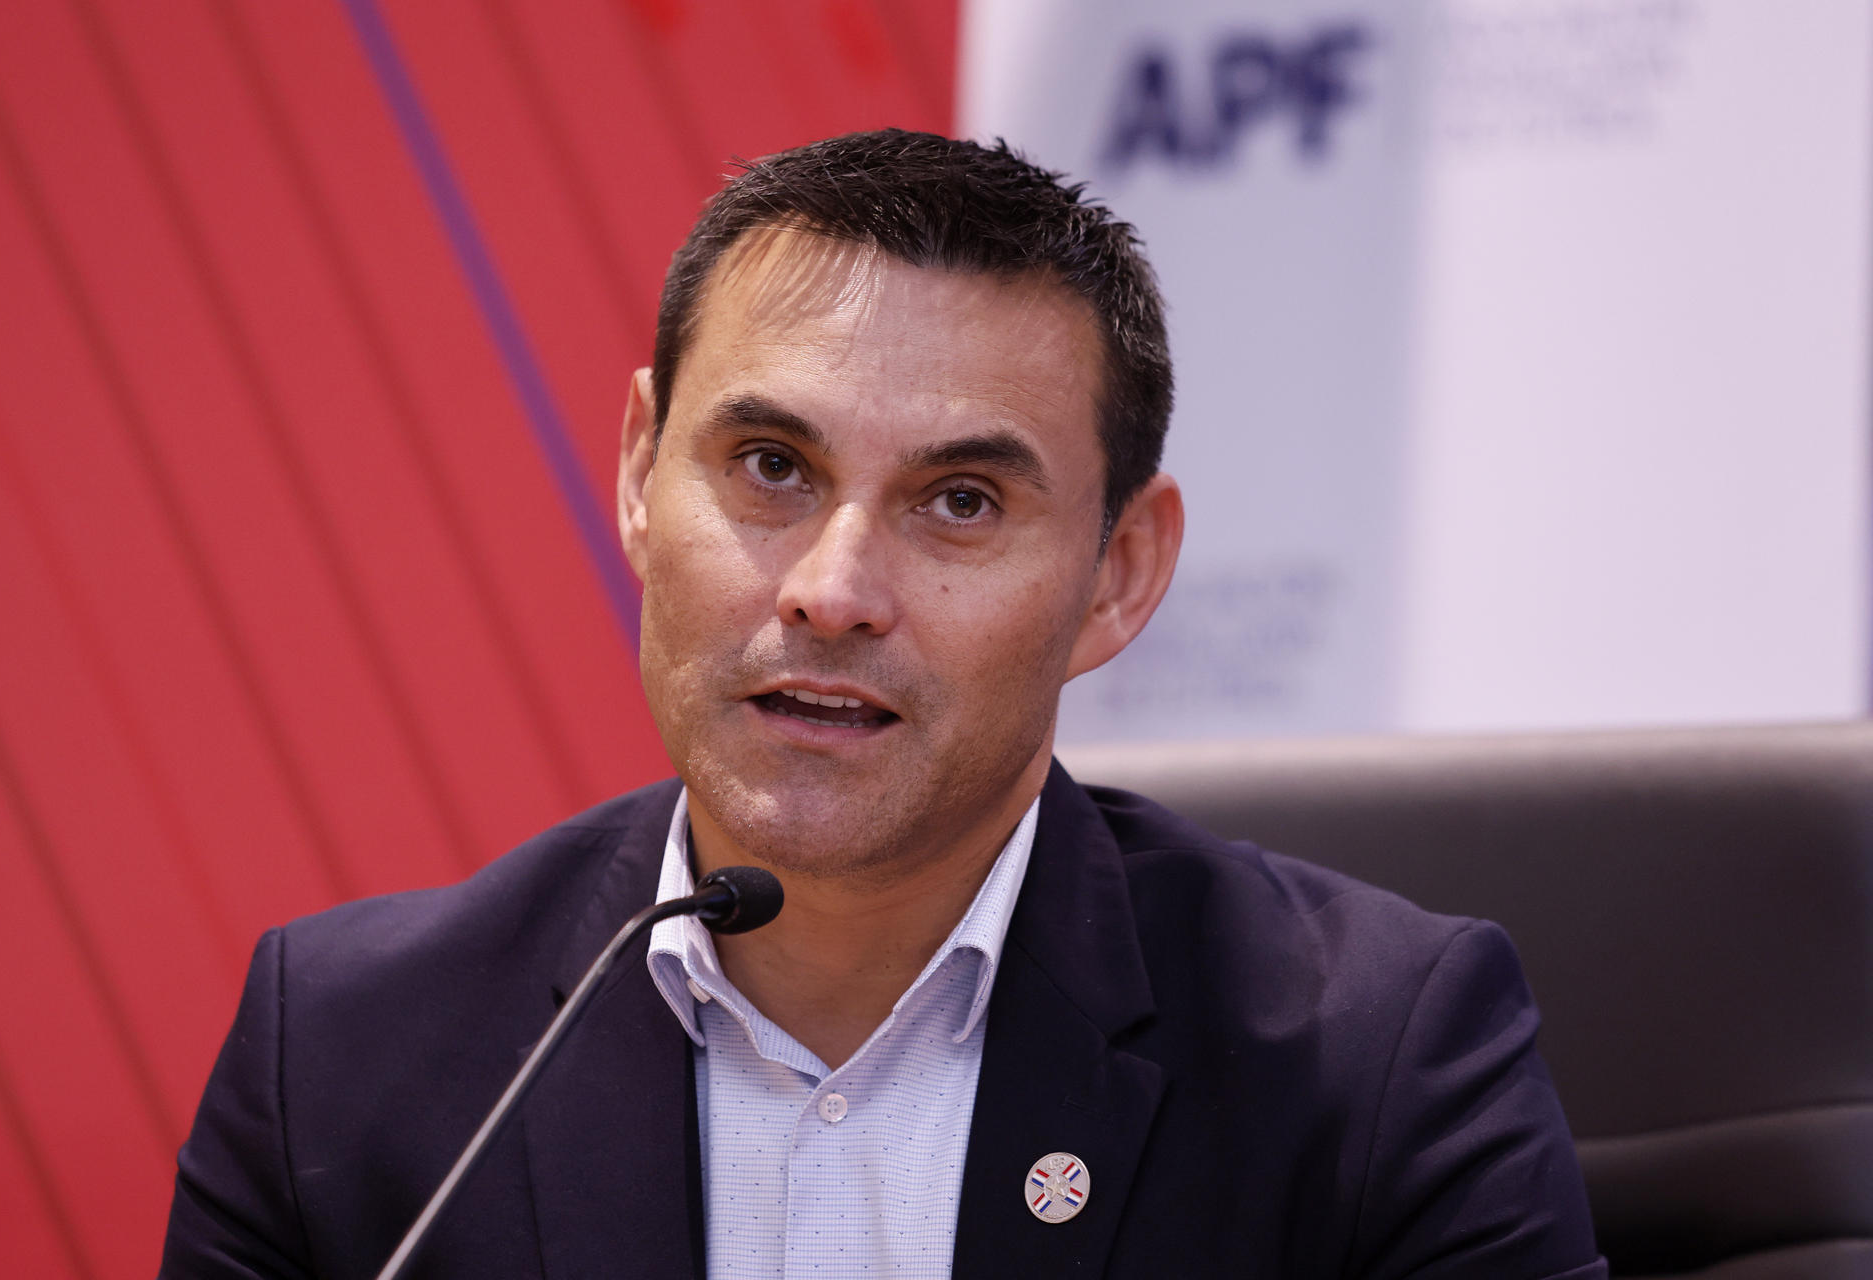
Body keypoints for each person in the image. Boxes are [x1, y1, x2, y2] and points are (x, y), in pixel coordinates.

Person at [161, 130, 1605, 1279]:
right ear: (639, 474)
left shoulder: (1376, 1062)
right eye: (772, 467)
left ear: (1120, 572)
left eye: (960, 501)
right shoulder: (347, 1061)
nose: (834, 591)